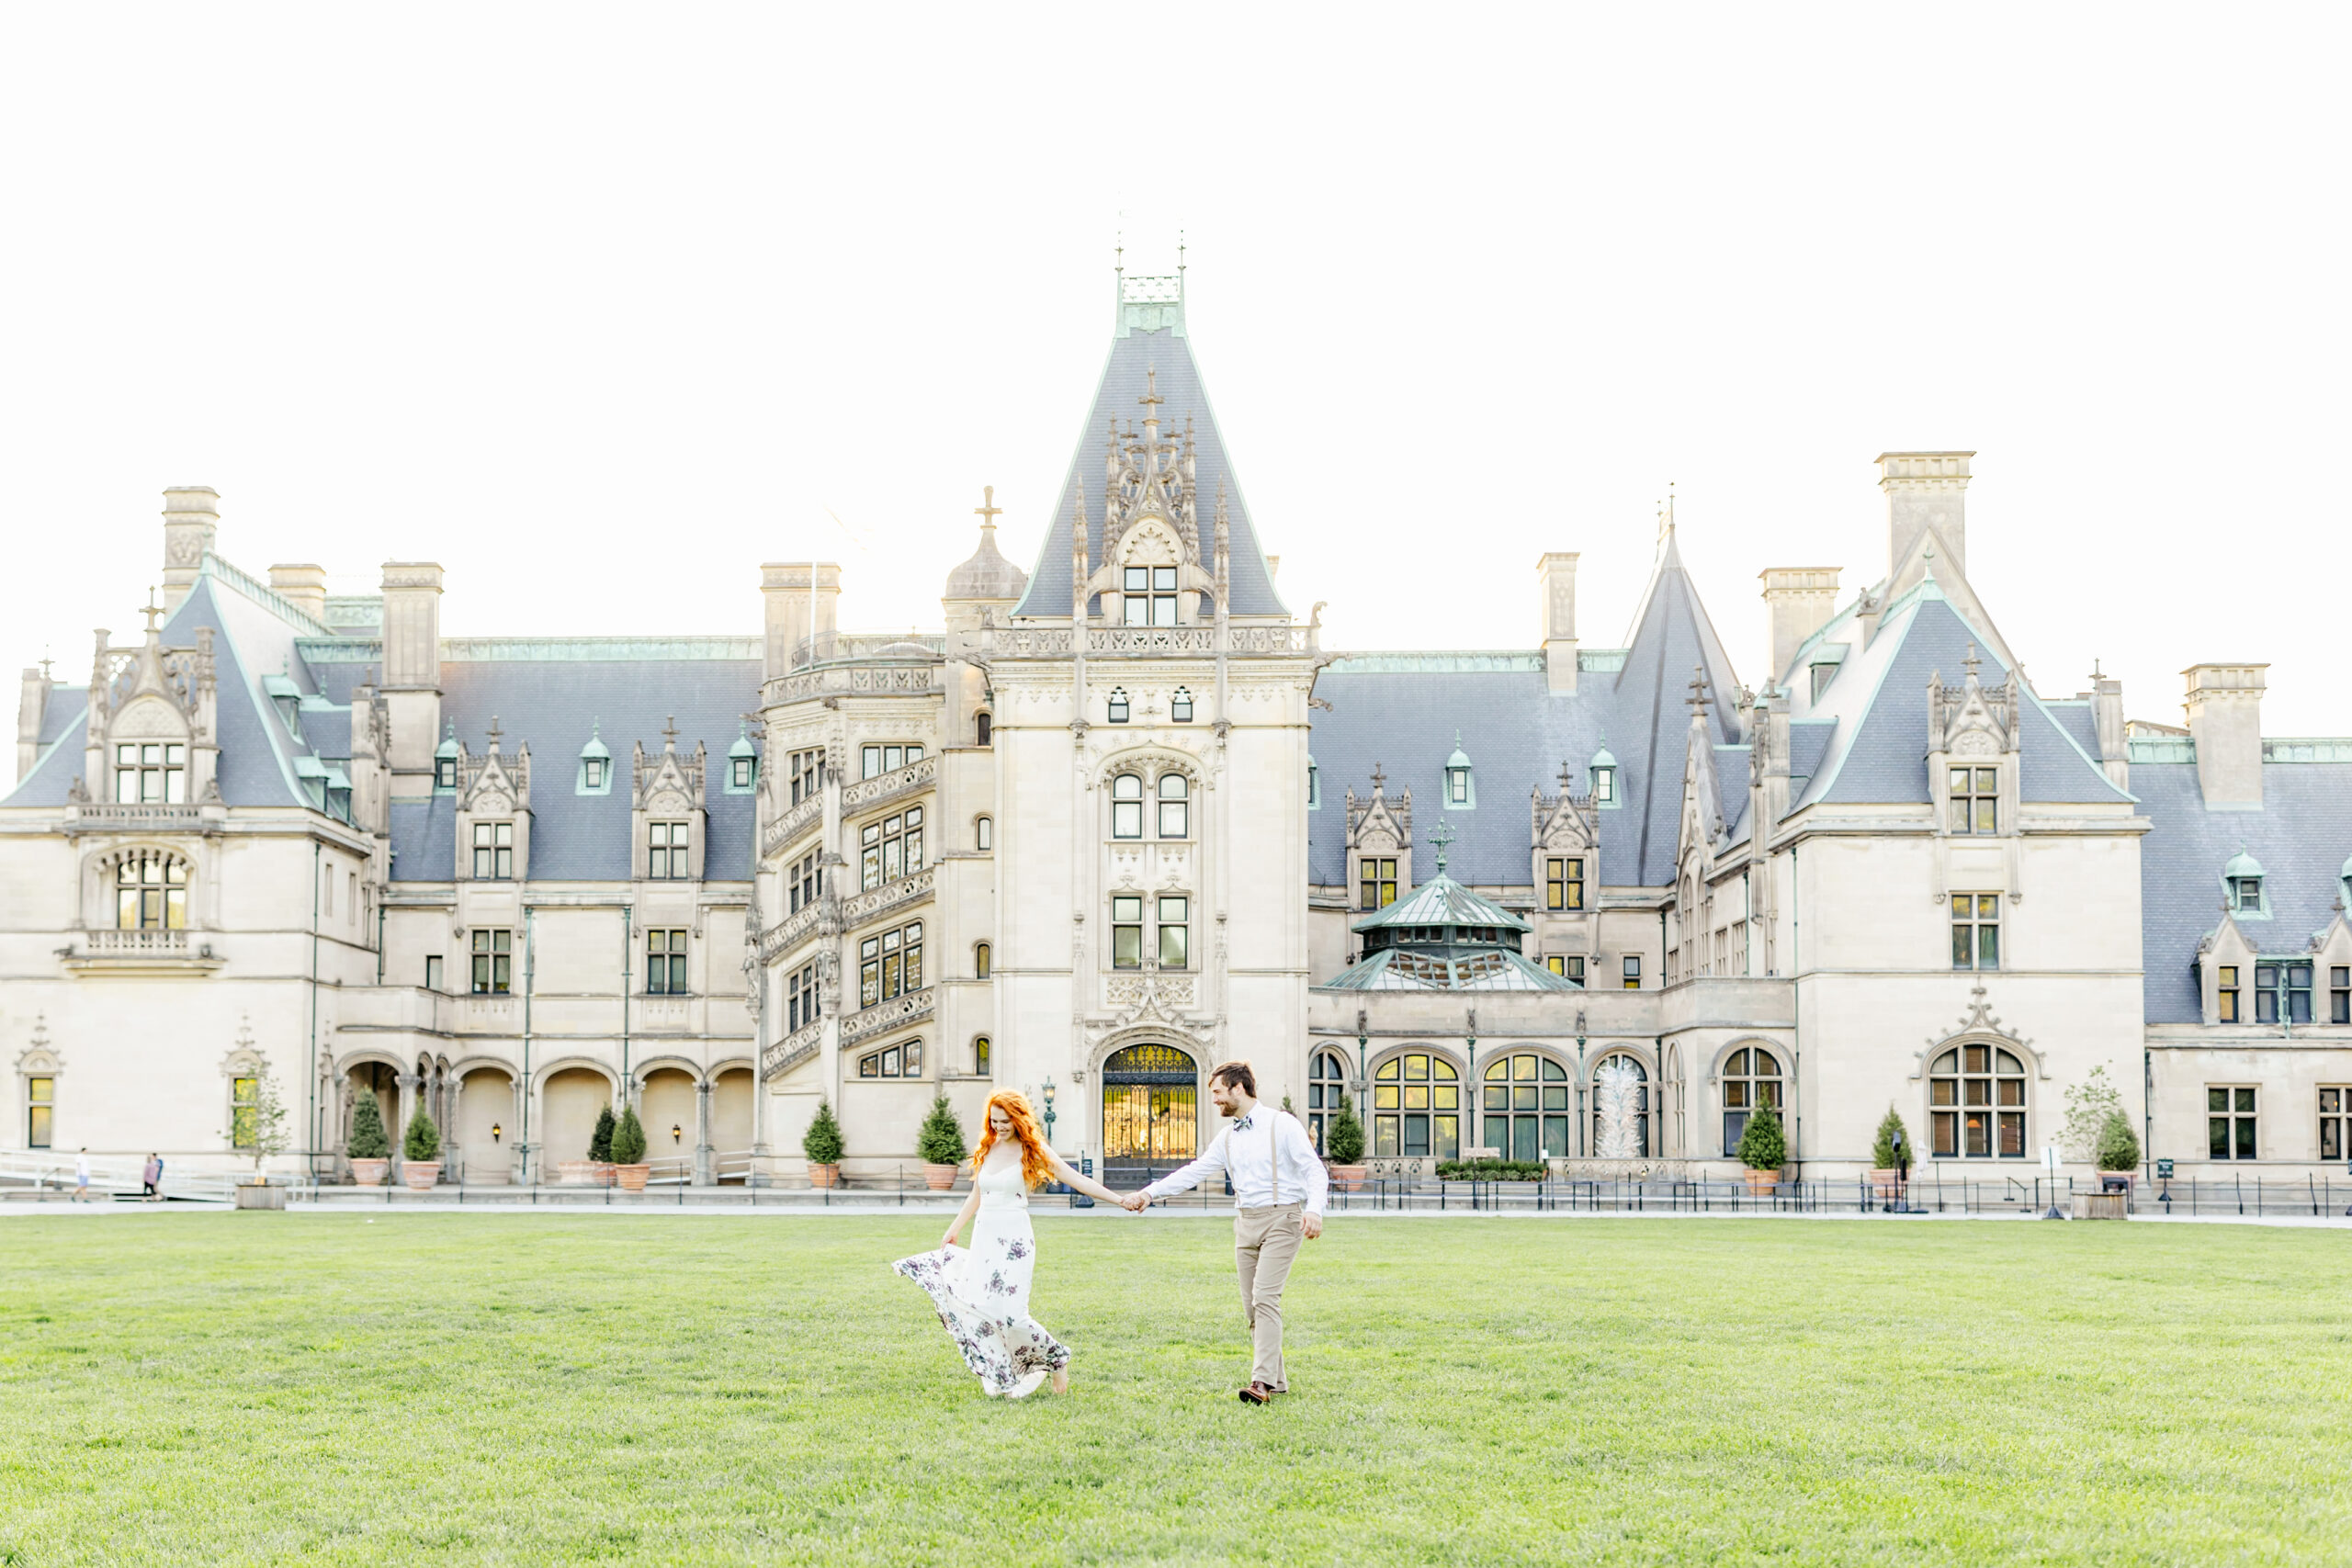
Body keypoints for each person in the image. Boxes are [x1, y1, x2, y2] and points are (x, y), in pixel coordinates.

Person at [893, 1090, 1125, 1398]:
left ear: (1018, 1119)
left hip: (1015, 1237)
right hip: (984, 1236)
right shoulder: (988, 1147)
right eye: (994, 1121)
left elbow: (1077, 1180)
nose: (999, 1126)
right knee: (982, 1307)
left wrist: (1119, 1200)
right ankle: (1002, 1373)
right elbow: (976, 1194)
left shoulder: (1032, 1149)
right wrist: (954, 1228)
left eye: (1005, 1121)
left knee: (1014, 1314)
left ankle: (1057, 1359)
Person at [1122, 1060, 1327, 1404]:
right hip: (1244, 1221)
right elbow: (1194, 1171)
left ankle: (1260, 1384)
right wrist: (1149, 1193)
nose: (1214, 1100)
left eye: (1217, 1092)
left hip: (1283, 1218)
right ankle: (1277, 1380)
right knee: (1252, 1308)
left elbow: (1313, 1170)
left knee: (1265, 1298)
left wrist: (1314, 1209)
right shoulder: (1228, 1135)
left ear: (1238, 1088)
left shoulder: (1282, 1124)